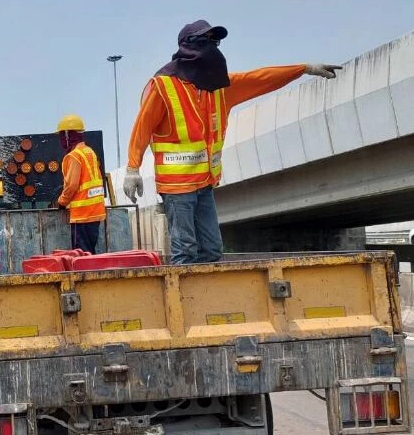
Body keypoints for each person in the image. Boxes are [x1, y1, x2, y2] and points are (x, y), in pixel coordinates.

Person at [123, 20, 341, 265]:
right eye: (205, 42)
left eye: (214, 43)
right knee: (185, 251)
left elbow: (261, 78)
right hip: (176, 187)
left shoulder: (220, 87)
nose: (212, 50)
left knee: (213, 250)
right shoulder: (163, 86)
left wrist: (304, 69)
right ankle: (184, 302)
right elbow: (142, 126)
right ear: (188, 47)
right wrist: (133, 168)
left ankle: (207, 298)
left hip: (204, 183)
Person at [55, 114, 106, 253]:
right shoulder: (89, 152)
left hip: (82, 215)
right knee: (89, 253)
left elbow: (72, 185)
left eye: (61, 135)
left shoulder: (74, 156)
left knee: (81, 255)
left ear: (67, 135)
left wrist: (61, 202)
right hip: (95, 212)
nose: (60, 140)